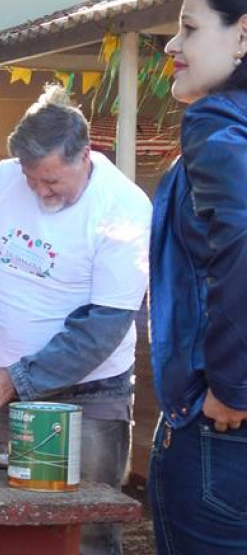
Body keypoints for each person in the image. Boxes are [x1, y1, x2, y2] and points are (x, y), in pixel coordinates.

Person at [0, 85, 151, 555]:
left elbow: (102, 326)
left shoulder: (124, 209)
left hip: (91, 393)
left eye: (51, 182)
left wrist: (17, 378)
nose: (40, 192)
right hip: (9, 387)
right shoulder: (4, 180)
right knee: (14, 520)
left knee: (87, 530)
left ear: (85, 155)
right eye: (31, 179)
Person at [148, 1, 247, 552]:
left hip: (225, 433)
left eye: (189, 28)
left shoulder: (219, 119)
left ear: (242, 36)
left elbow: (242, 233)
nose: (171, 45)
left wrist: (233, 386)